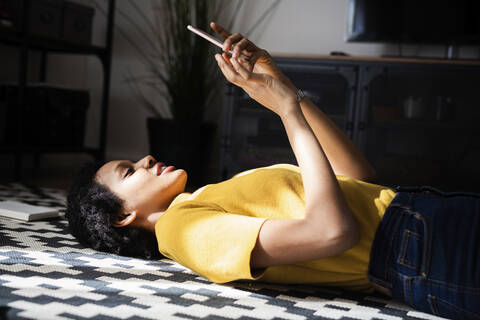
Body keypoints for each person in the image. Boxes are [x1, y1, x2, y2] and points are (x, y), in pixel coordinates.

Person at [65, 22, 480, 319]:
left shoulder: (205, 199)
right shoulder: (181, 231)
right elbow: (332, 232)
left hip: (424, 216)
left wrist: (278, 84)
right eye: (129, 170)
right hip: (423, 254)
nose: (147, 160)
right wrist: (284, 110)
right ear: (122, 216)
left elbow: (358, 176)